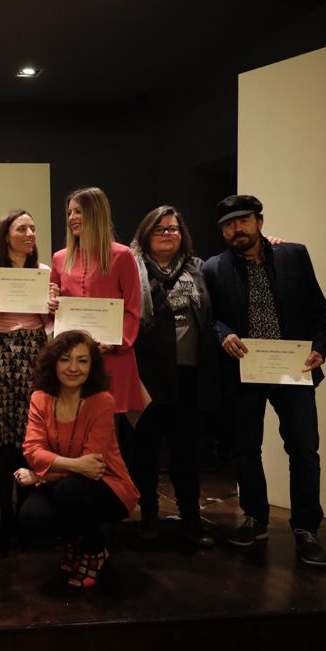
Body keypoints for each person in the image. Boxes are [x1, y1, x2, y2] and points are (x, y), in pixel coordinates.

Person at [202, 194, 326, 566]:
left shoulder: (294, 255)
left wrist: (320, 348)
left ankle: (307, 529)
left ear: (260, 221)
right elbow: (210, 319)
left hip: (294, 368)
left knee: (304, 450)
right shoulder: (213, 268)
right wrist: (223, 334)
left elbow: (318, 310)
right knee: (245, 449)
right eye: (228, 225)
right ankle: (255, 517)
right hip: (245, 371)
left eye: (242, 221)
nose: (235, 229)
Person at [17, 331, 139, 588]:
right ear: (54, 363)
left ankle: (95, 551)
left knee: (70, 490)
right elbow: (32, 450)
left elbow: (92, 465)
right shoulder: (40, 399)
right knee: (31, 515)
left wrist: (40, 474)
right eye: (65, 360)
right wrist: (70, 465)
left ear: (92, 366)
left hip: (109, 486)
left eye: (82, 361)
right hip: (66, 483)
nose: (73, 368)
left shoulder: (102, 401)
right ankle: (75, 542)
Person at [128, 206, 219, 548]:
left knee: (187, 453)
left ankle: (191, 521)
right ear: (145, 233)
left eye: (174, 229)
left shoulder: (198, 269)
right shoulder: (131, 266)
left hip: (189, 375)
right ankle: (148, 515)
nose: (168, 234)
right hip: (146, 376)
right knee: (145, 452)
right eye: (160, 229)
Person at [0, 210, 56, 538]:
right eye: (23, 228)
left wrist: (51, 311)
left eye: (33, 228)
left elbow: (49, 326)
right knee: (4, 439)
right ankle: (7, 518)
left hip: (35, 353)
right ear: (6, 235)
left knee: (31, 435)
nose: (31, 233)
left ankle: (28, 515)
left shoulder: (43, 271)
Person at [49, 188, 144, 419]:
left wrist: (115, 342)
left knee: (112, 429)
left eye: (79, 211)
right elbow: (53, 312)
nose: (72, 218)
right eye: (69, 212)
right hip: (74, 358)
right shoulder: (60, 258)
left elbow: (133, 308)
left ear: (95, 214)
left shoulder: (122, 256)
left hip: (113, 356)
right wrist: (50, 303)